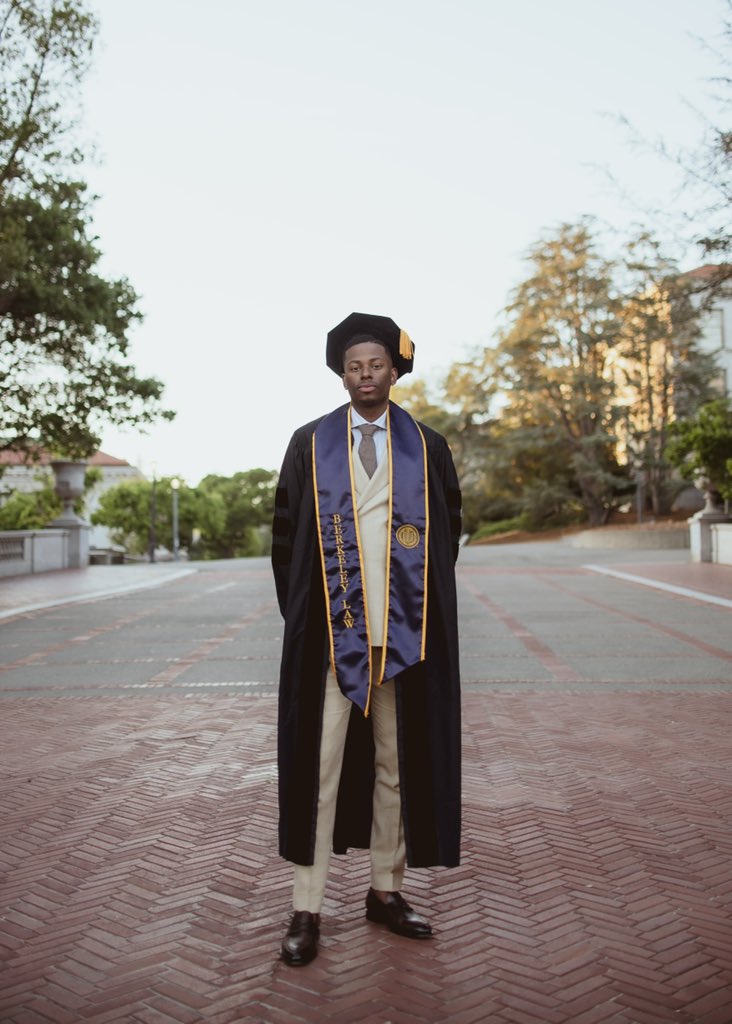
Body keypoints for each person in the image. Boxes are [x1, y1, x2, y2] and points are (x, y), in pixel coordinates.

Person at [271, 312, 462, 966]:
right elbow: (284, 541)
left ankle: (387, 890)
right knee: (316, 774)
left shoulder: (427, 446)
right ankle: (307, 906)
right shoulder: (310, 444)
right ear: (342, 373)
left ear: (394, 370)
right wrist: (307, 624)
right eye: (354, 366)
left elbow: (449, 530)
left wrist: (416, 611)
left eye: (376, 365)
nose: (365, 376)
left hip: (404, 644)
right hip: (331, 645)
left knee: (396, 771)